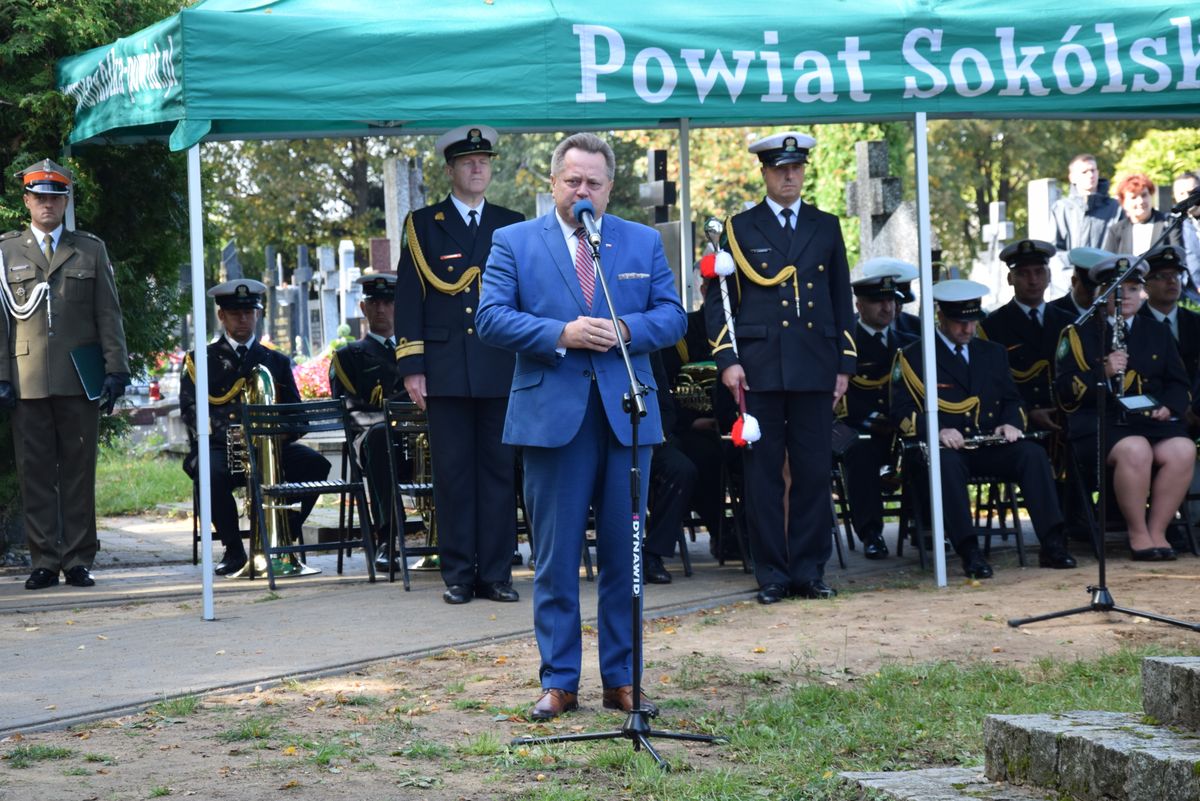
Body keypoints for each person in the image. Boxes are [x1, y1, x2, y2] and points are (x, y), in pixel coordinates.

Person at [477, 132, 686, 721]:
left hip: (627, 420)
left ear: (609, 187)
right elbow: (491, 318)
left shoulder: (641, 242)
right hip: (552, 421)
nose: (582, 191)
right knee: (556, 556)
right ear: (553, 182)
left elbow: (672, 316)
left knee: (627, 556)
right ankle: (559, 681)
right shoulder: (514, 241)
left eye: (594, 182)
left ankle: (623, 679)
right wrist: (559, 335)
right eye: (572, 181)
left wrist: (627, 332)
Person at [705, 130, 856, 605]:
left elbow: (840, 296)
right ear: (765, 172)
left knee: (813, 472)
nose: (789, 175)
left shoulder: (825, 225)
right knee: (763, 474)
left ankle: (809, 570)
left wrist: (845, 362)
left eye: (796, 168)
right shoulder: (738, 228)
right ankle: (770, 572)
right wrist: (727, 359)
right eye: (779, 168)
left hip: (814, 364)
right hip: (760, 367)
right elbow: (719, 302)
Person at [393, 124, 526, 605]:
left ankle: (495, 574)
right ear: (450, 169)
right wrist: (412, 366)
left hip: (498, 365)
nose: (477, 168)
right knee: (452, 474)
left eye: (484, 161)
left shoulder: (513, 223)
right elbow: (409, 299)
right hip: (445, 367)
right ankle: (457, 575)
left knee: (497, 472)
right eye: (468, 162)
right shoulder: (423, 225)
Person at [0, 158, 129, 591]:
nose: (47, 203)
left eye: (55, 196)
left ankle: (77, 559)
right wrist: (2, 374)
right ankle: (43, 560)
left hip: (80, 376)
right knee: (35, 471)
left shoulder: (90, 249)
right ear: (27, 201)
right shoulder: (6, 251)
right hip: (27, 376)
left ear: (64, 201)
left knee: (78, 470)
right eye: (39, 196)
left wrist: (117, 370)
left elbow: (107, 314)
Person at [891, 279, 1077, 579]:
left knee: (1031, 454)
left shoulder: (992, 352)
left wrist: (1012, 423)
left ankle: (1053, 542)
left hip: (989, 442)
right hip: (944, 447)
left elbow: (1012, 398)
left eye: (973, 321)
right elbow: (900, 411)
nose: (967, 329)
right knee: (945, 465)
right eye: (959, 322)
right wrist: (936, 430)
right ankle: (969, 550)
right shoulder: (915, 355)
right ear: (941, 317)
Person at [179, 279, 330, 576]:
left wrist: (275, 437)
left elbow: (297, 416)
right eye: (235, 313)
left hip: (270, 450)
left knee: (317, 466)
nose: (243, 319)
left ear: (258, 314)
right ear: (221, 316)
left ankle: (281, 535)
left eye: (249, 312)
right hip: (224, 448)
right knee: (209, 472)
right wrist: (231, 437)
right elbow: (189, 410)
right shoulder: (201, 361)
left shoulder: (276, 360)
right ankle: (234, 550)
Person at [1055, 251, 1193, 560]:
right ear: (1099, 294)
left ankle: (1158, 530)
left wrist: (1168, 407)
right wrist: (1100, 372)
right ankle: (1138, 533)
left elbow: (1178, 382)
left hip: (1148, 420)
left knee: (1183, 449)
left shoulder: (1156, 331)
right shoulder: (1078, 332)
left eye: (1131, 288)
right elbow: (1064, 391)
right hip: (1100, 422)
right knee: (1136, 449)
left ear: (1141, 293)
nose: (1124, 296)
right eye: (1115, 289)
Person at [837, 265, 915, 559]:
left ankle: (928, 525)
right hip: (853, 424)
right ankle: (871, 533)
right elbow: (840, 393)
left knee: (924, 447)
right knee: (860, 451)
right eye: (878, 301)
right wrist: (872, 420)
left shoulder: (909, 342)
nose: (888, 307)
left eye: (892, 300)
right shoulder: (844, 343)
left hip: (898, 426)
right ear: (859, 305)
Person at [330, 272, 402, 567]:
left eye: (388, 302)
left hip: (416, 437)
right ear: (363, 308)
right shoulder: (349, 355)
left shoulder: (419, 349)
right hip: (373, 443)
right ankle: (387, 539)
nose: (381, 309)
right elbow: (351, 410)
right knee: (379, 437)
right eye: (375, 303)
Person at [977, 240, 1074, 433]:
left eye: (1039, 272)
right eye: (1023, 273)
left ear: (1049, 275)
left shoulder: (1070, 322)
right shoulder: (991, 327)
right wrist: (1027, 412)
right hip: (1017, 425)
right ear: (1009, 279)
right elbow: (991, 385)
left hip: (1067, 420)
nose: (1033, 280)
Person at [1051, 154, 1121, 287]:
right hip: (1070, 285)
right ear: (1072, 177)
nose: (1090, 175)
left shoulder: (1116, 208)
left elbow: (1121, 246)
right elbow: (1055, 250)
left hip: (1107, 283)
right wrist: (1071, 278)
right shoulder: (1060, 209)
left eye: (1093, 170)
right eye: (1084, 172)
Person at [1136, 244, 1200, 384]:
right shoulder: (1135, 324)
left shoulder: (1196, 322)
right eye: (1162, 276)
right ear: (1145, 284)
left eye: (1176, 275)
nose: (1172, 281)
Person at [1104, 173, 1183, 256]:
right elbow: (1109, 262)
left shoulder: (1169, 224)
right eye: (1133, 197)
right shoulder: (1116, 231)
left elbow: (1178, 258)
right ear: (1123, 203)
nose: (1140, 201)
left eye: (1144, 195)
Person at [1171, 172, 1200, 288]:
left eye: (1191, 192)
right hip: (1188, 292)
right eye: (1181, 193)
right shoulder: (1172, 225)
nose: (1187, 197)